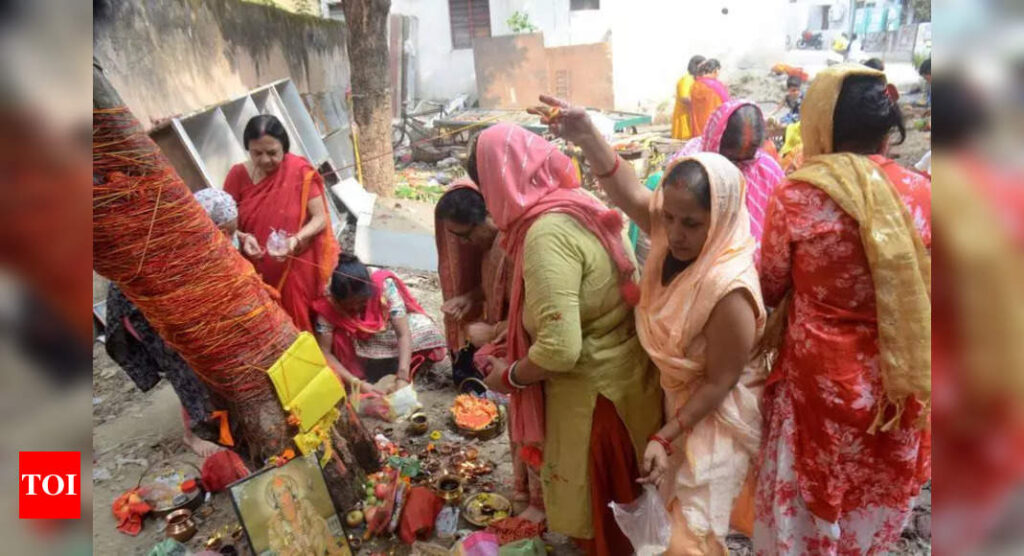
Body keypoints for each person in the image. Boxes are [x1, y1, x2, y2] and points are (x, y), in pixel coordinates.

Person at [536, 94, 767, 554]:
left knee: (690, 537)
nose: (675, 232)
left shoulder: (730, 290)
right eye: (669, 217)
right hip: (677, 404)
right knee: (670, 514)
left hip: (714, 420)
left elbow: (720, 382)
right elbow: (629, 192)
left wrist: (666, 434)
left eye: (691, 223)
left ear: (719, 219)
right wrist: (586, 136)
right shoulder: (671, 239)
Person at [753, 64, 931, 554]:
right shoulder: (925, 193)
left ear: (820, 124)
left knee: (814, 490)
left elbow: (769, 286)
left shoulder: (798, 195)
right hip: (901, 378)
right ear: (886, 127)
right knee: (877, 486)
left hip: (821, 384)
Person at [475, 122, 662, 554]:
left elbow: (560, 348)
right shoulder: (575, 201)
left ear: (498, 182)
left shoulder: (545, 233)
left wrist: (511, 375)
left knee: (603, 529)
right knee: (629, 519)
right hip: (627, 381)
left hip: (593, 402)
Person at [105, 188, 240, 457]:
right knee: (181, 365)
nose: (227, 238)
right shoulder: (168, 249)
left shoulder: (202, 238)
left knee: (197, 362)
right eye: (222, 231)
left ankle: (215, 416)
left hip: (166, 303)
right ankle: (194, 433)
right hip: (141, 309)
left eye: (232, 230)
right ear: (202, 225)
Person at [223, 114, 339, 333]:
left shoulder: (299, 171)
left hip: (295, 264)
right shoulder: (237, 175)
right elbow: (222, 223)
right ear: (248, 148)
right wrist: (243, 237)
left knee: (299, 325)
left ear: (284, 147)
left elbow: (320, 218)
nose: (265, 160)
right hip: (254, 269)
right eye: (257, 153)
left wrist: (295, 239)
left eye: (272, 153)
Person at [312, 254, 450, 393]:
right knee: (339, 339)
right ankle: (365, 370)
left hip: (384, 332)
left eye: (361, 303)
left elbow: (402, 333)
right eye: (349, 306)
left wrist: (402, 376)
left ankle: (403, 368)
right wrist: (357, 383)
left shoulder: (383, 285)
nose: (355, 309)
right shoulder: (328, 303)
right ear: (338, 299)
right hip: (354, 344)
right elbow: (325, 352)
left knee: (427, 330)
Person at [671, 100, 786, 255]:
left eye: (746, 159)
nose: (738, 168)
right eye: (731, 158)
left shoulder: (768, 170)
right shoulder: (692, 163)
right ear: (716, 140)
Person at [265, 474, 348, 555]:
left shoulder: (304, 504)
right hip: (296, 552)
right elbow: (278, 549)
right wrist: (294, 547)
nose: (284, 497)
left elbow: (317, 520)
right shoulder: (273, 524)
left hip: (316, 544)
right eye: (279, 495)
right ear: (275, 501)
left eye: (285, 491)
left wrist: (310, 536)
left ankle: (335, 552)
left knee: (321, 530)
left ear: (291, 491)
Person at [690, 59, 730, 137]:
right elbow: (726, 105)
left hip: (699, 127)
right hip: (713, 126)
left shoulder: (695, 85)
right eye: (719, 71)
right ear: (715, 70)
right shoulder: (716, 86)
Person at [672, 55, 706, 140]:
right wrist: (701, 104)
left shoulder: (696, 79)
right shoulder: (686, 79)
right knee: (683, 143)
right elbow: (684, 97)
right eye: (703, 65)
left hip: (692, 116)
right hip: (684, 117)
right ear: (696, 65)